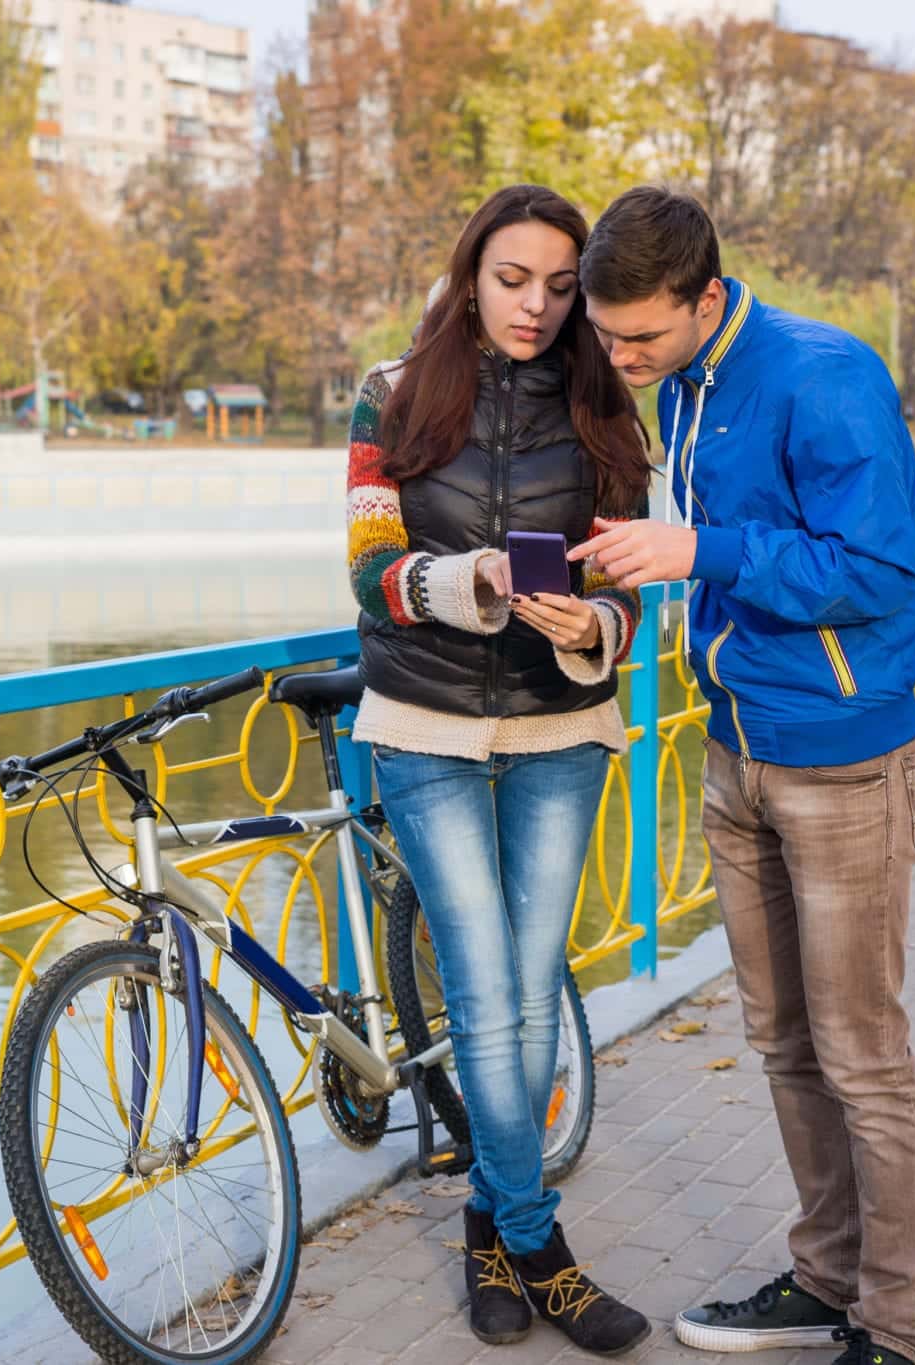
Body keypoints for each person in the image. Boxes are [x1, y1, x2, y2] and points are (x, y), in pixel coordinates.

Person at [572, 186, 915, 1365]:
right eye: (608, 335)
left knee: (861, 1056)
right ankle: (823, 1279)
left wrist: (699, 551)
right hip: (734, 751)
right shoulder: (684, 383)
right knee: (782, 1041)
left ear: (708, 298)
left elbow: (879, 568)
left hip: (840, 759)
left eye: (642, 335)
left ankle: (891, 1330)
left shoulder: (821, 374)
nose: (622, 357)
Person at [346, 183, 653, 1356]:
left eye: (559, 287)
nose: (534, 305)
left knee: (528, 991)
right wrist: (465, 585)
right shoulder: (389, 393)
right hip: (420, 722)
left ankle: (483, 1226)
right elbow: (368, 565)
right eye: (512, 278)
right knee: (482, 988)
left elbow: (626, 582)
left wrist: (596, 629)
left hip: (559, 727)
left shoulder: (607, 408)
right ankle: (541, 1251)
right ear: (471, 271)